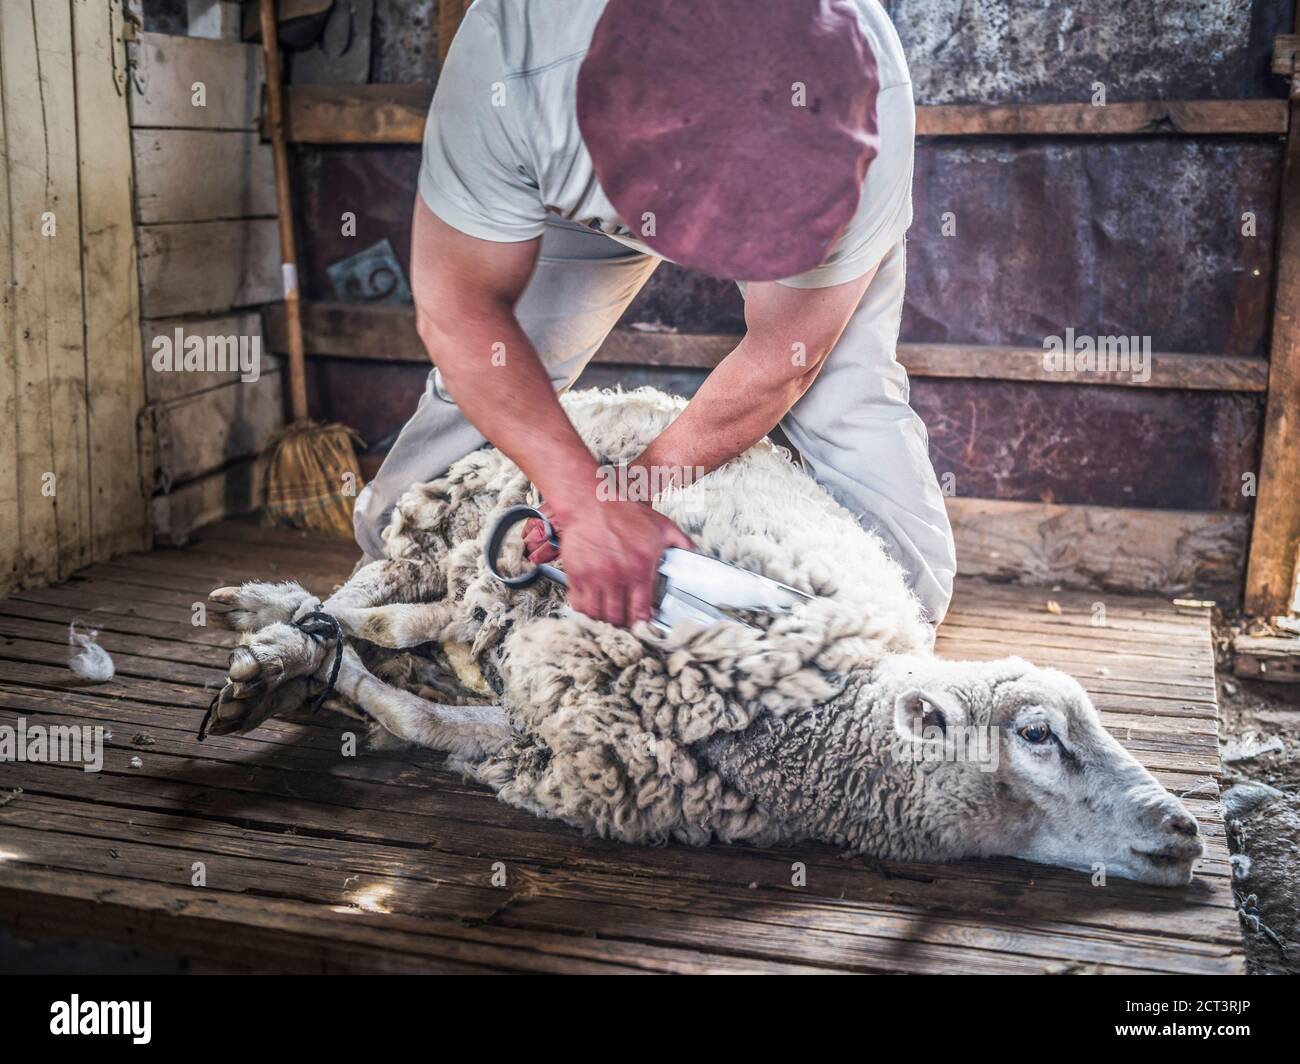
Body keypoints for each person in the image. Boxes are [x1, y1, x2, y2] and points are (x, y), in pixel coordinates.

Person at [353, 0, 955, 629]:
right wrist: (583, 503)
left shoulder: (870, 107)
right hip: (566, 183)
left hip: (793, 188)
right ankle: (392, 561)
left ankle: (893, 630)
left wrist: (631, 490)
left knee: (846, 388)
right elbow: (460, 314)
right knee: (499, 368)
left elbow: (784, 360)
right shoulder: (513, 65)